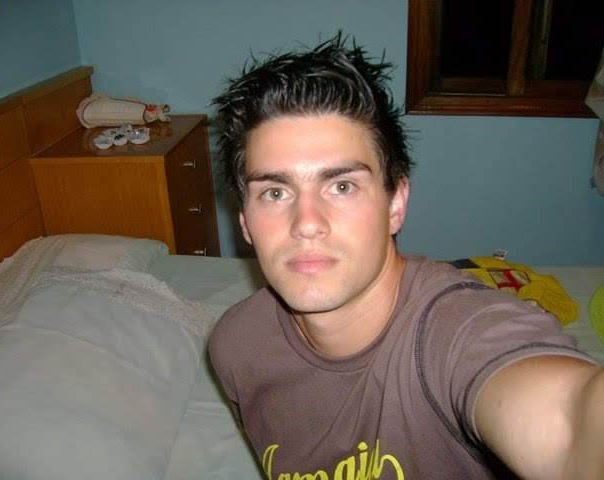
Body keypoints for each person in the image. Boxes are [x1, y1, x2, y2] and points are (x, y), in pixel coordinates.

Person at [208, 33, 603, 480]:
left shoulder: (453, 333)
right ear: (245, 223)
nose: (307, 223)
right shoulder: (237, 346)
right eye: (275, 193)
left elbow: (571, 420)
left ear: (396, 204)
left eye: (342, 186)